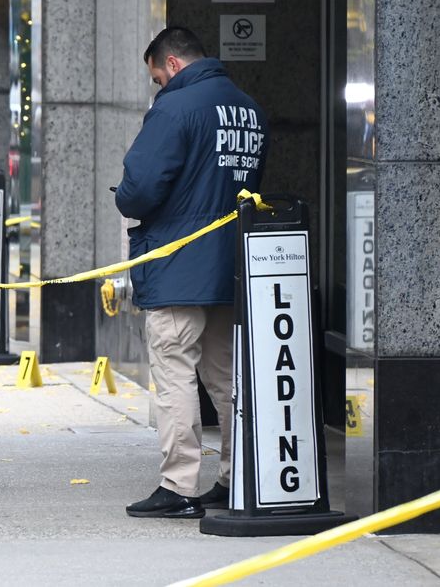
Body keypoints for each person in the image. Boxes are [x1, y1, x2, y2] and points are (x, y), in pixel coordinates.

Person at [115, 26, 268, 519]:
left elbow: (138, 190)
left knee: (174, 370)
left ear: (173, 64)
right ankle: (239, 475)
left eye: (157, 77)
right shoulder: (248, 109)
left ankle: (179, 485)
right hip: (232, 263)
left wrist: (126, 196)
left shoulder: (176, 108)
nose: (158, 86)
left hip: (179, 264)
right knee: (227, 377)